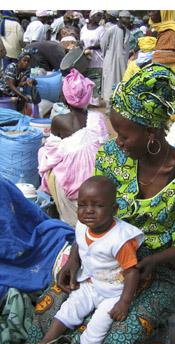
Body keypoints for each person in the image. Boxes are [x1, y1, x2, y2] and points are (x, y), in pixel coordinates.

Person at [34, 63, 175, 344]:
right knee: (51, 314)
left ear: (152, 133)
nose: (118, 141)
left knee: (114, 339)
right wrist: (75, 260)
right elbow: (91, 215)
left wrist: (149, 262)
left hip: (156, 270)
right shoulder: (112, 157)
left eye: (125, 135)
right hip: (101, 258)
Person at [39, 175, 144, 344]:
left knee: (98, 326)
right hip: (91, 282)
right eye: (82, 205)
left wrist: (124, 302)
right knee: (70, 307)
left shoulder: (120, 239)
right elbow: (80, 243)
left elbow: (132, 272)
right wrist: (73, 260)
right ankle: (44, 343)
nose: (88, 211)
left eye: (97, 205)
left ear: (114, 209)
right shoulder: (82, 225)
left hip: (114, 291)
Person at [38, 68, 108, 227]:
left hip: (70, 187)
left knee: (43, 154)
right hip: (96, 182)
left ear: (64, 97)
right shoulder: (98, 118)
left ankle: (59, 210)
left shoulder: (59, 121)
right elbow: (104, 147)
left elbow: (52, 153)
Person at [100, 10, 131, 113]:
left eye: (128, 18)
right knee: (110, 83)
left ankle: (118, 108)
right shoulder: (111, 30)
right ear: (120, 18)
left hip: (122, 63)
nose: (126, 20)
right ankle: (108, 109)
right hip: (111, 61)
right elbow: (103, 44)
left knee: (120, 82)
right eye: (125, 18)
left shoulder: (128, 32)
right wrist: (108, 56)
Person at [80, 10, 105, 106]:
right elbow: (81, 41)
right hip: (85, 58)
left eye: (101, 16)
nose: (99, 18)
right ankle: (86, 101)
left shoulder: (101, 29)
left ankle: (95, 102)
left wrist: (91, 47)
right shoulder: (84, 29)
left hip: (97, 59)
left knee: (96, 80)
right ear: (92, 16)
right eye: (97, 15)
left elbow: (103, 44)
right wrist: (81, 45)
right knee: (85, 79)